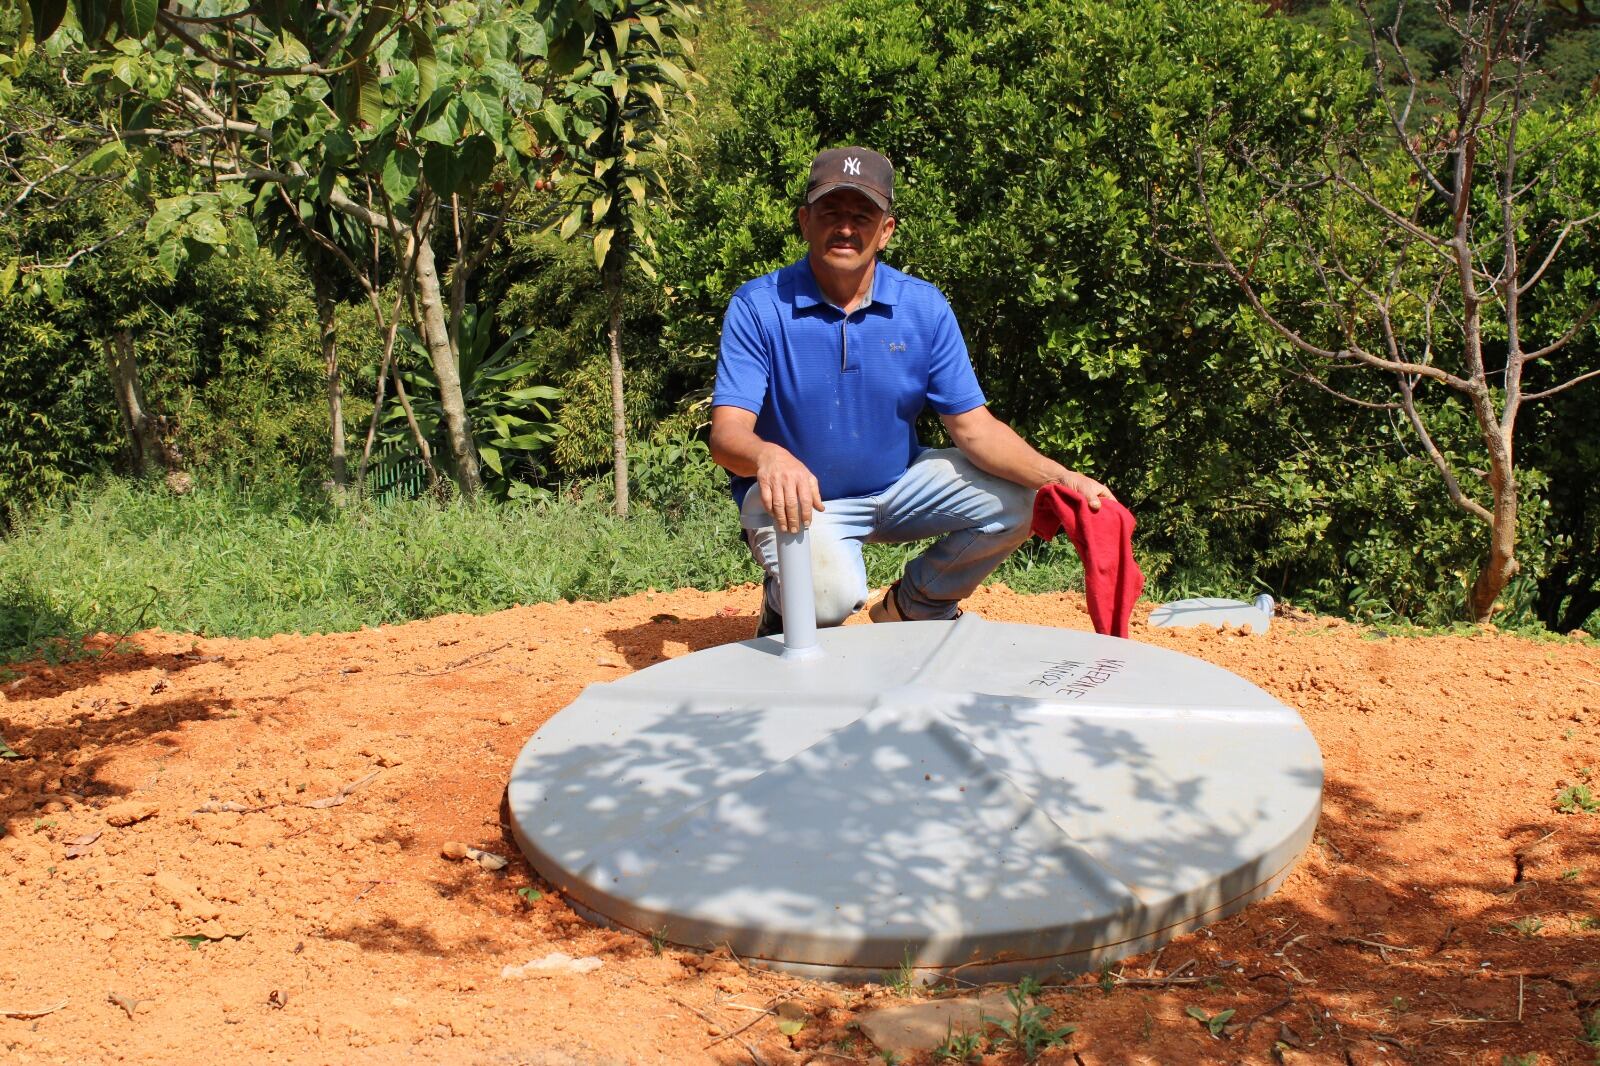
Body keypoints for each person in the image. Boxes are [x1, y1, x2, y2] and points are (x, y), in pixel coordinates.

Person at [709, 146, 1114, 636]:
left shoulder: (922, 306)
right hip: (802, 502)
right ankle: (784, 604)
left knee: (1025, 499)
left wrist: (1063, 478)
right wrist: (769, 457)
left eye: (862, 215)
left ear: (886, 231)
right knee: (828, 599)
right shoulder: (759, 306)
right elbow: (727, 435)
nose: (845, 228)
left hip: (900, 485)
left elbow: (975, 429)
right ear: (804, 221)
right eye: (830, 212)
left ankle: (911, 608)